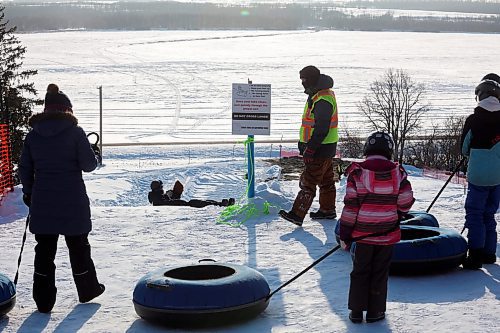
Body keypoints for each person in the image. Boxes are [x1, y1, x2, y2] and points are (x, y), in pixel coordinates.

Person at [19, 84, 105, 313]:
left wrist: (28, 192)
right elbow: (88, 165)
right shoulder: (75, 133)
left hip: (43, 201)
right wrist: (95, 154)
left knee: (44, 251)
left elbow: (24, 168)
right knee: (78, 247)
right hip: (72, 202)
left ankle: (43, 301)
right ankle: (88, 290)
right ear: (67, 110)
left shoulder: (33, 135)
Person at [338, 132, 415, 324]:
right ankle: (375, 311)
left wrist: (346, 233)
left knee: (360, 271)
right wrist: (398, 211)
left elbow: (351, 207)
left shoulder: (356, 174)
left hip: (362, 235)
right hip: (386, 235)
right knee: (380, 272)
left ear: (367, 150)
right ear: (389, 151)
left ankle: (356, 311)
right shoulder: (398, 173)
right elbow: (405, 201)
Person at [279, 65, 339, 226]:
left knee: (309, 181)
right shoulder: (318, 94)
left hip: (320, 148)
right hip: (326, 147)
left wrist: (311, 148)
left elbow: (321, 128)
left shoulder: (322, 99)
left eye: (304, 79)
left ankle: (297, 214)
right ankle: (327, 210)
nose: (302, 82)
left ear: (312, 79)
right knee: (326, 181)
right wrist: (303, 143)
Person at [460, 73, 500, 270]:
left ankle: (475, 254)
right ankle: (489, 253)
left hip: (477, 177)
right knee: (489, 214)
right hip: (497, 177)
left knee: (475, 214)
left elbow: (464, 149)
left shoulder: (473, 120)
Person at [148, 180, 235, 208]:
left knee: (202, 201)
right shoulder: (158, 198)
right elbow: (169, 203)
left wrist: (172, 194)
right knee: (199, 202)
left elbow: (169, 202)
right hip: (184, 205)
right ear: (159, 188)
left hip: (182, 204)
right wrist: (170, 195)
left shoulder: (156, 196)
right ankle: (221, 204)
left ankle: (220, 203)